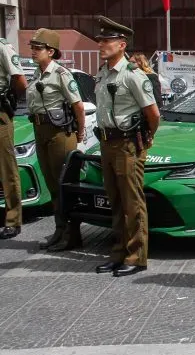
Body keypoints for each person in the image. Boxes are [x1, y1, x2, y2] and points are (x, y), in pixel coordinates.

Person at [93, 17, 160, 277]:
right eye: (100, 40)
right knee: (116, 201)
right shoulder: (102, 72)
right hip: (107, 142)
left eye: (107, 41)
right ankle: (119, 252)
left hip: (128, 144)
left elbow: (153, 113)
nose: (101, 44)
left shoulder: (132, 75)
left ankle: (136, 256)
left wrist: (145, 139)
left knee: (133, 202)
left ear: (122, 44)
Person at [26, 28, 86, 252]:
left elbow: (78, 106)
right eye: (32, 47)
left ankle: (72, 235)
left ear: (51, 51)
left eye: (37, 48)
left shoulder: (61, 74)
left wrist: (80, 134)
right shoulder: (37, 74)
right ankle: (60, 230)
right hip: (40, 130)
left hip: (60, 132)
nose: (33, 51)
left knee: (63, 184)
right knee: (52, 184)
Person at [0, 36, 27, 239]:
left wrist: (10, 100)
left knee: (6, 166)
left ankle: (12, 219)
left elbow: (20, 80)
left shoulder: (2, 47)